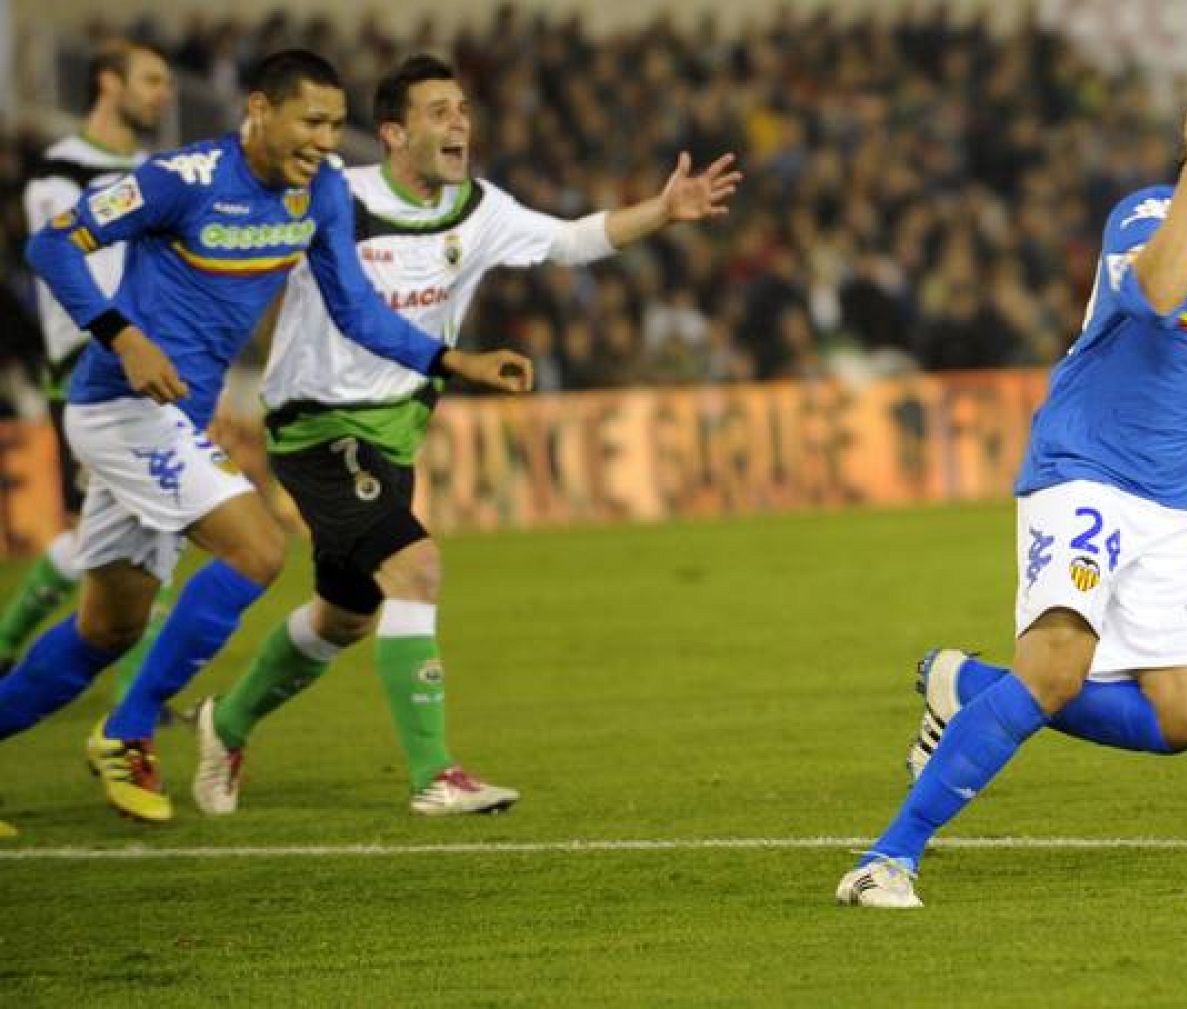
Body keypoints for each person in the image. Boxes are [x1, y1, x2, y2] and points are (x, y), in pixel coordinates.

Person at [836, 71, 1187, 908]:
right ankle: (888, 858)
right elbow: (1164, 293)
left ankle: (965, 687)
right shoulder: (1148, 216)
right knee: (1057, 670)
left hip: (1173, 505)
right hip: (1085, 474)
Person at [190, 55, 739, 817]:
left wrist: (663, 209)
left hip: (394, 436)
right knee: (416, 569)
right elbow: (234, 249)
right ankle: (434, 775)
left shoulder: (478, 209)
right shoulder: (333, 197)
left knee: (343, 616)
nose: (459, 123)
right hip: (315, 425)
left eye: (463, 110)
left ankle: (228, 721)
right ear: (392, 133)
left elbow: (574, 240)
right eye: (440, 111)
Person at [0, 49, 531, 825]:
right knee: (258, 548)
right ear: (258, 109)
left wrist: (451, 357)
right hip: (119, 403)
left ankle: (118, 719)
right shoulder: (180, 180)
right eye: (310, 121)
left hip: (177, 415)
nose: (324, 140)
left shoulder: (317, 196)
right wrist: (123, 336)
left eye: (336, 125)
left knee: (106, 628)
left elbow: (356, 309)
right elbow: (53, 243)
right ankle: (129, 730)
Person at [0, 41, 174, 693]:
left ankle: (7, 646)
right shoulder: (58, 172)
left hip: (146, 366)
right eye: (152, 80)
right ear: (108, 82)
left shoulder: (154, 172)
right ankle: (137, 705)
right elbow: (68, 273)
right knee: (145, 524)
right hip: (90, 369)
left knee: (104, 535)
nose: (164, 94)